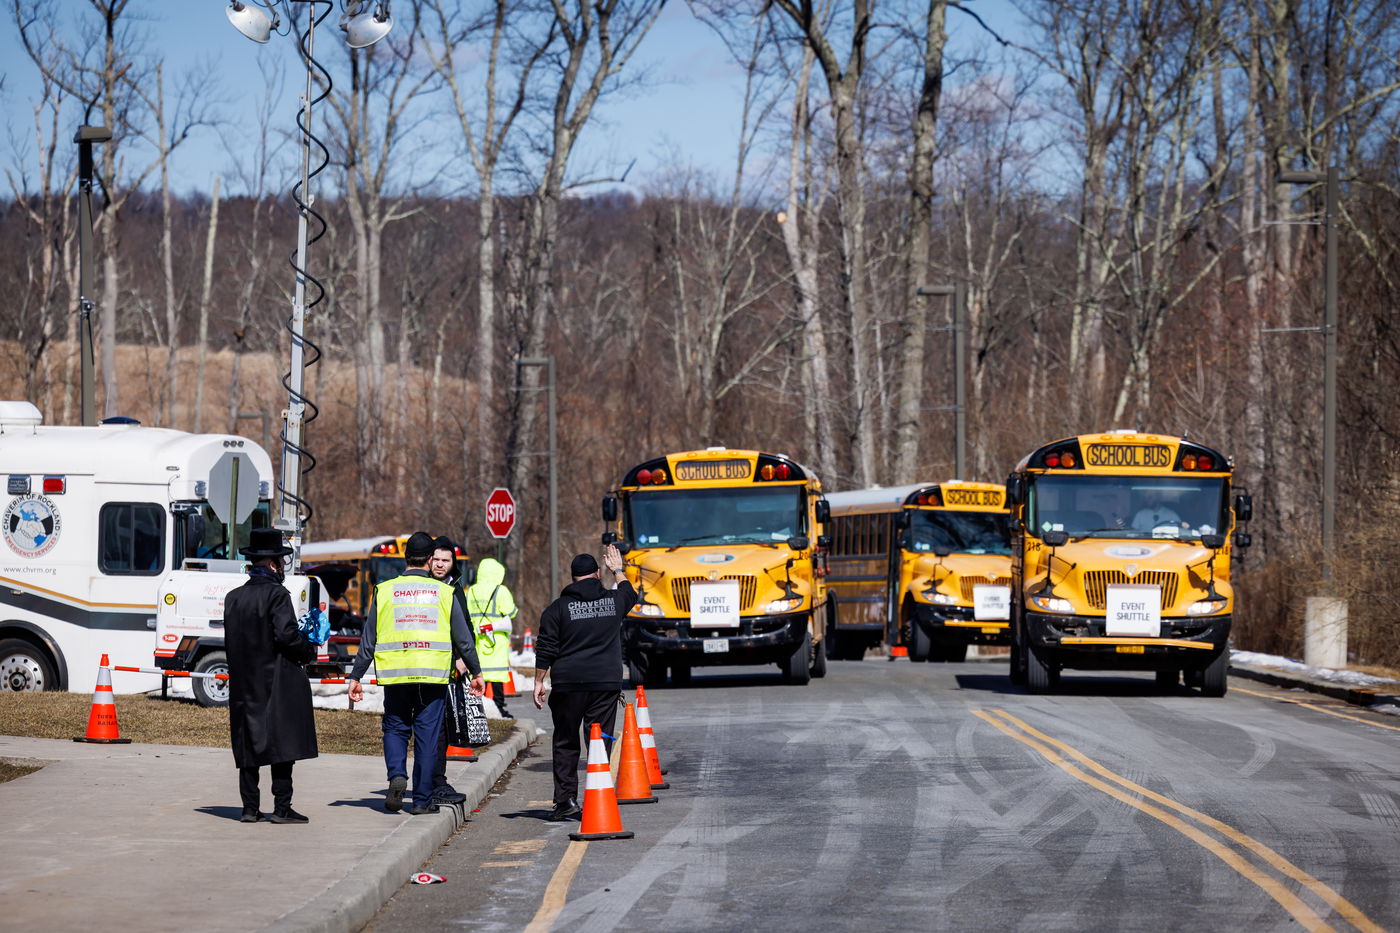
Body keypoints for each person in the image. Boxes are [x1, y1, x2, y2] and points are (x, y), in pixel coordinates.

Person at [348, 531, 485, 815]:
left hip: (396, 674)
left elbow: (369, 637)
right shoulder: (445, 592)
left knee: (395, 727)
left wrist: (356, 676)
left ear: (406, 557)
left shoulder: (384, 590)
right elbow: (463, 639)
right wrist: (476, 671)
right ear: (429, 559)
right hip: (433, 676)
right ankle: (421, 800)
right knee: (427, 735)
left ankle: (397, 773)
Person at [532, 544, 637, 821]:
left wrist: (538, 681)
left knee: (566, 742)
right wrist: (618, 570)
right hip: (604, 683)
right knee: (599, 740)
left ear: (572, 578)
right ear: (596, 574)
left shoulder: (556, 609)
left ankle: (565, 800)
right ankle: (598, 797)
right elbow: (630, 593)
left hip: (568, 684)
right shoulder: (613, 602)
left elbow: (546, 648)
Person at [223, 527, 320, 825]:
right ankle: (282, 807)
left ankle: (249, 808)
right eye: (281, 561)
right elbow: (287, 637)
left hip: (244, 683)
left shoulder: (233, 598)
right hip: (277, 680)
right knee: (282, 745)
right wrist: (309, 648)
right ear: (275, 563)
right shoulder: (277, 595)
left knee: (248, 743)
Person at [426, 536, 481, 806]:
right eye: (435, 559)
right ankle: (434, 783)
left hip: (450, 668)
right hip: (426, 666)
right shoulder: (424, 587)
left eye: (445, 560)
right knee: (432, 728)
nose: (439, 564)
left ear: (452, 563)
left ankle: (436, 780)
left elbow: (465, 626)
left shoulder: (455, 587)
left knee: (446, 727)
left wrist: (465, 659)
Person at [466, 556, 518, 717]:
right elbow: (512, 613)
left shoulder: (471, 591)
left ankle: (477, 707)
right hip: (495, 641)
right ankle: (499, 707)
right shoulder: (500, 590)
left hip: (477, 639)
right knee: (497, 675)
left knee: (478, 673)